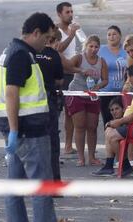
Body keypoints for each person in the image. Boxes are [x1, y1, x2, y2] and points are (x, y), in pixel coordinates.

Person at [0, 12, 56, 221]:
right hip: (29, 132)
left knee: (15, 186)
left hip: (18, 131)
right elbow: (12, 92)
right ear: (36, 32)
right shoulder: (21, 54)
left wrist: (12, 131)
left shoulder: (10, 51)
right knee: (41, 187)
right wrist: (14, 129)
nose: (47, 44)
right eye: (47, 38)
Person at [66, 35, 108, 167]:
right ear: (86, 47)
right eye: (91, 46)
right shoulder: (79, 57)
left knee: (92, 127)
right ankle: (80, 158)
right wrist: (81, 70)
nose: (93, 49)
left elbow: (105, 80)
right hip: (77, 93)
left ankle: (92, 157)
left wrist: (98, 86)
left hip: (92, 95)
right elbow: (67, 67)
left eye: (96, 47)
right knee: (80, 126)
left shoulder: (101, 61)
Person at [35, 29, 64, 181]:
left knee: (33, 144)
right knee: (52, 144)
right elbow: (60, 79)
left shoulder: (29, 54)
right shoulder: (53, 55)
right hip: (49, 102)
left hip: (31, 106)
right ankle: (54, 182)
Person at [56, 1, 80, 155]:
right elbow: (59, 48)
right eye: (67, 12)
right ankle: (55, 144)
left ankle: (68, 145)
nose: (70, 15)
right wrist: (71, 34)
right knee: (57, 110)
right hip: (61, 74)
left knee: (70, 112)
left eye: (71, 12)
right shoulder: (56, 31)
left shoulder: (73, 31)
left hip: (73, 74)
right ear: (59, 14)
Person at [98, 25, 127, 125]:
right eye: (109, 34)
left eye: (114, 34)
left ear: (120, 36)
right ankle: (109, 140)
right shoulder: (101, 50)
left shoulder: (126, 50)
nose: (111, 37)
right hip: (105, 92)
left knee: (123, 122)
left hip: (122, 93)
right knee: (107, 121)